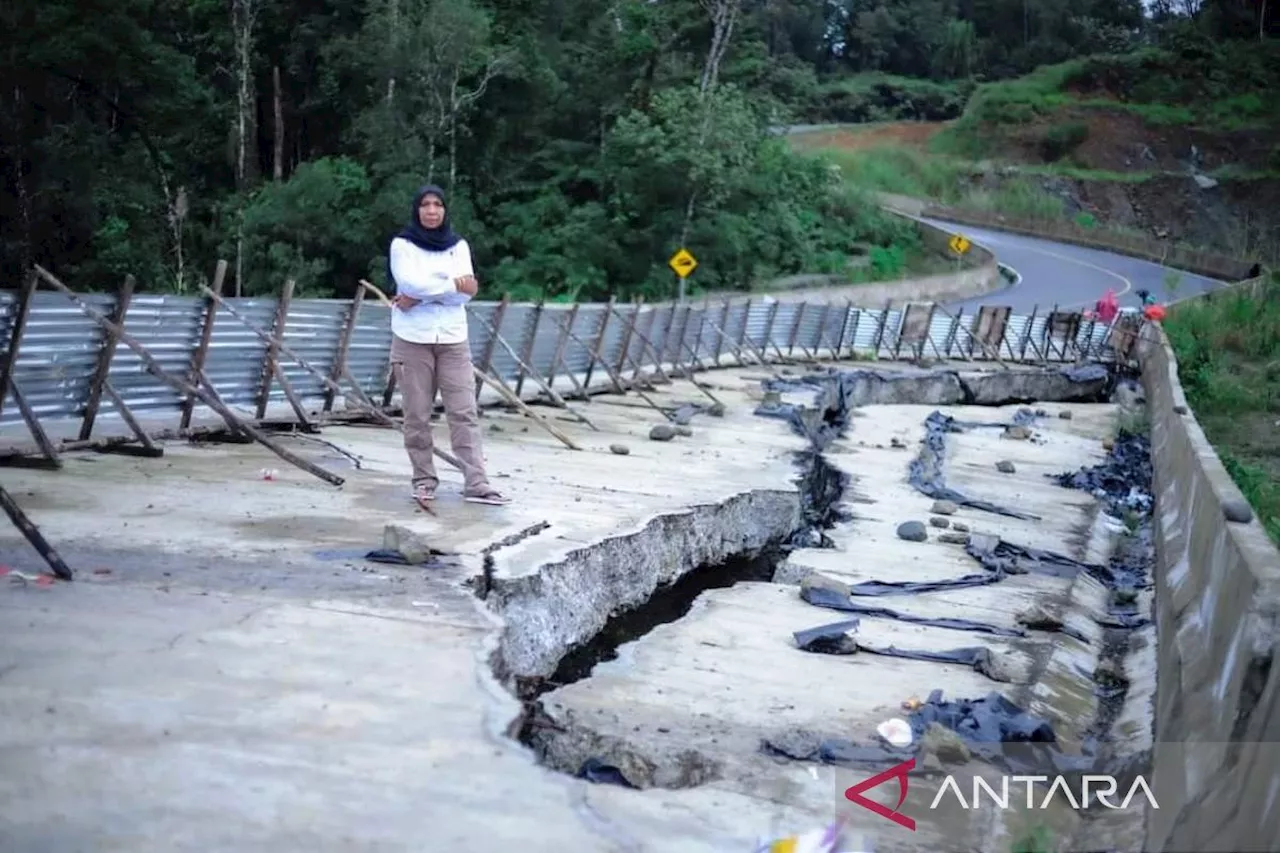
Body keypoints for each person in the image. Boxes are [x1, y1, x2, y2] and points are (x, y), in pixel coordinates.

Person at [387, 184, 510, 508]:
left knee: (464, 411)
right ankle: (424, 480)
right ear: (417, 209)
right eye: (425, 204)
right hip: (413, 340)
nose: (431, 210)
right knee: (416, 414)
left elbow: (467, 291)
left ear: (444, 210)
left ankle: (477, 483)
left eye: (437, 204)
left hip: (454, 339)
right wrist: (448, 284)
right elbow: (410, 282)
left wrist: (420, 296)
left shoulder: (458, 246)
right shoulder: (402, 245)